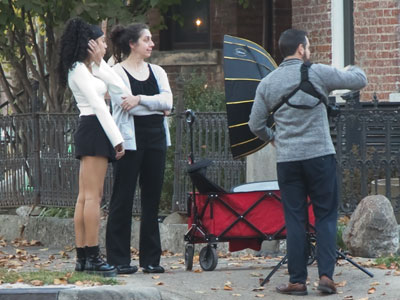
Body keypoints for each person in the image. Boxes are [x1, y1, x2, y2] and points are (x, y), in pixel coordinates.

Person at [248, 29, 367, 295]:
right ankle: (326, 277)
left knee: (294, 219)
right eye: (309, 47)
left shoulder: (267, 83)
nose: (309, 51)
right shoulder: (318, 72)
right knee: (325, 216)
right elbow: (360, 80)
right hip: (320, 157)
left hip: (288, 160)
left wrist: (274, 138)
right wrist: (349, 67)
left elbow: (254, 124)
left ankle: (297, 281)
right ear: (301, 49)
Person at [58, 17, 136, 277]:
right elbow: (99, 104)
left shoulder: (90, 68)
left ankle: (84, 257)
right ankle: (91, 255)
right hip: (94, 128)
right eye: (101, 42)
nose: (105, 45)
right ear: (90, 43)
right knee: (92, 197)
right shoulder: (78, 70)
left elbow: (120, 89)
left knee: (86, 197)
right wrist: (117, 138)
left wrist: (100, 63)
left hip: (94, 128)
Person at [105, 23, 173, 275]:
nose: (151, 44)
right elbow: (125, 104)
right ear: (132, 44)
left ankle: (151, 259)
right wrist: (156, 106)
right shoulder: (116, 72)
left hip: (156, 139)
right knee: (122, 198)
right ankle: (119, 259)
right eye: (146, 39)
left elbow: (169, 101)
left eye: (151, 39)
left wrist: (142, 99)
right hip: (130, 141)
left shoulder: (158, 71)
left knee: (151, 200)